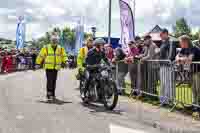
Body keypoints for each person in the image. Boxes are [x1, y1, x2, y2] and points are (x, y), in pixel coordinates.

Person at [36, 32, 67, 101]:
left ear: (57, 41)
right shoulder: (46, 47)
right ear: (51, 41)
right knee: (49, 80)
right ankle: (49, 94)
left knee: (54, 81)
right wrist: (38, 63)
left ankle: (53, 94)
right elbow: (41, 55)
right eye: (53, 40)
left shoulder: (61, 48)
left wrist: (66, 61)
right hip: (48, 67)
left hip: (56, 67)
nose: (54, 41)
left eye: (55, 40)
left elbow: (64, 55)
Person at [176, 35, 200, 113]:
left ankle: (198, 106)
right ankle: (195, 105)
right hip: (191, 71)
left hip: (198, 71)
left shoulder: (194, 48)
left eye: (180, 42)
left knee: (198, 89)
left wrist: (181, 59)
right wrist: (181, 58)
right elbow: (176, 57)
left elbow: (190, 59)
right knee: (193, 90)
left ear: (185, 42)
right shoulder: (184, 49)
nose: (180, 44)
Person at [159, 28, 176, 104]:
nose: (160, 36)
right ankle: (163, 100)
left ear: (166, 33)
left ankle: (169, 100)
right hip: (162, 66)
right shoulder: (163, 43)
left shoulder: (170, 42)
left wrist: (167, 62)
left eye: (161, 35)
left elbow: (171, 55)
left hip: (168, 66)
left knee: (168, 83)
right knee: (163, 83)